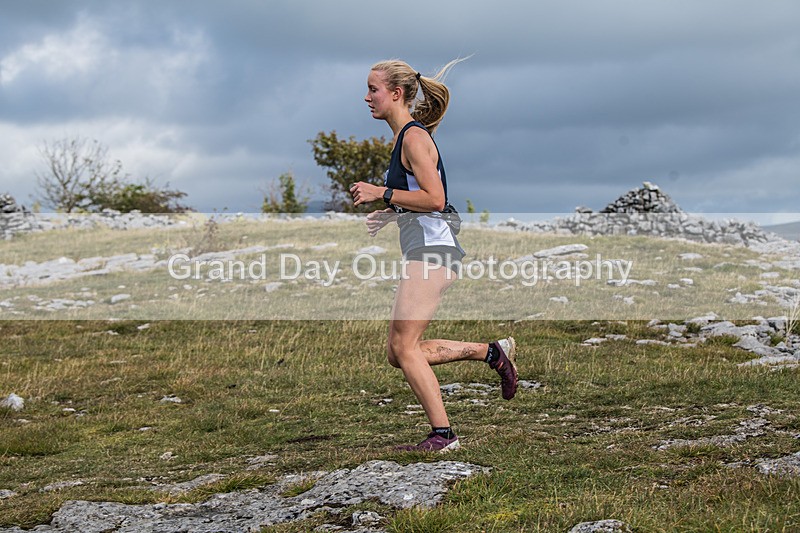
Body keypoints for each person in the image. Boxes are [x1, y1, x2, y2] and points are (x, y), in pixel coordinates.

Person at [349, 58, 518, 452]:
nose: (366, 97)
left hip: (434, 252)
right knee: (398, 352)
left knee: (405, 347)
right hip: (426, 249)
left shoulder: (413, 137)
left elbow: (436, 200)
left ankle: (443, 436)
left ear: (397, 93)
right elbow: (421, 200)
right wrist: (390, 214)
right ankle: (490, 352)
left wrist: (382, 192)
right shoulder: (403, 138)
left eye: (373, 89)